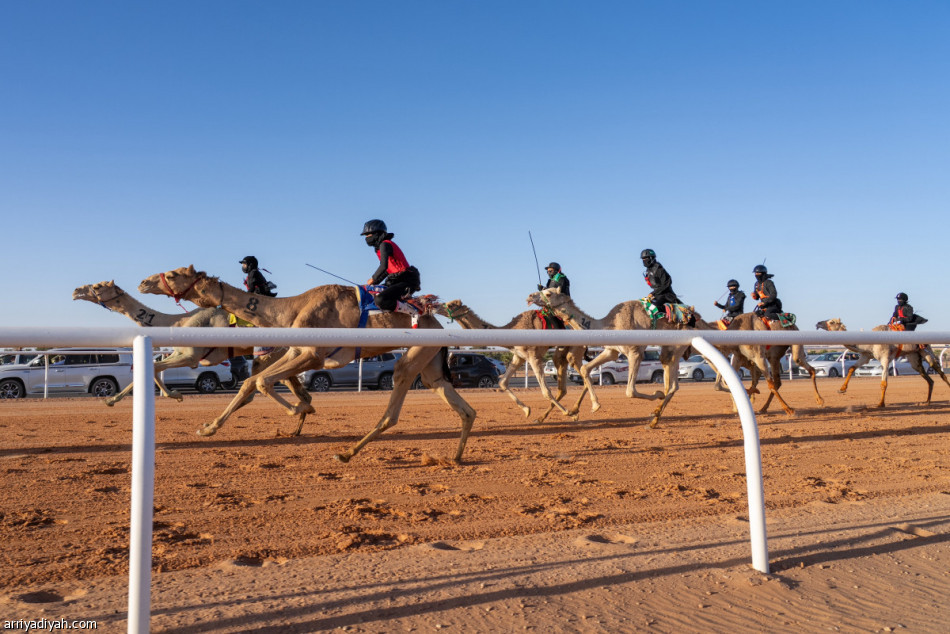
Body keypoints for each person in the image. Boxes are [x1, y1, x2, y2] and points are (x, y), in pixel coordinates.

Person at [361, 219, 421, 311]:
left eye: (368, 235)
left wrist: (373, 278)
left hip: (407, 280)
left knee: (380, 300)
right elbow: (386, 270)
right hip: (395, 280)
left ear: (376, 234)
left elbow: (383, 266)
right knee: (373, 291)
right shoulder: (380, 247)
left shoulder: (385, 245)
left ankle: (412, 311)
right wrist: (374, 283)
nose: (366, 238)